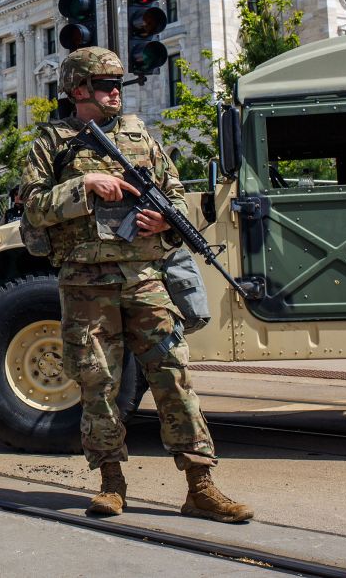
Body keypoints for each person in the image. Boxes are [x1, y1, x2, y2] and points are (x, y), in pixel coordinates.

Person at [21, 46, 252, 523]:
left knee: (173, 375)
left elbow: (174, 195)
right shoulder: (53, 140)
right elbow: (34, 206)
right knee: (98, 384)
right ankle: (111, 482)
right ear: (78, 90)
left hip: (144, 278)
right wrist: (85, 186)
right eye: (105, 86)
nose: (114, 95)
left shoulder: (138, 134)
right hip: (86, 284)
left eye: (118, 86)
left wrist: (160, 223)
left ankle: (200, 484)